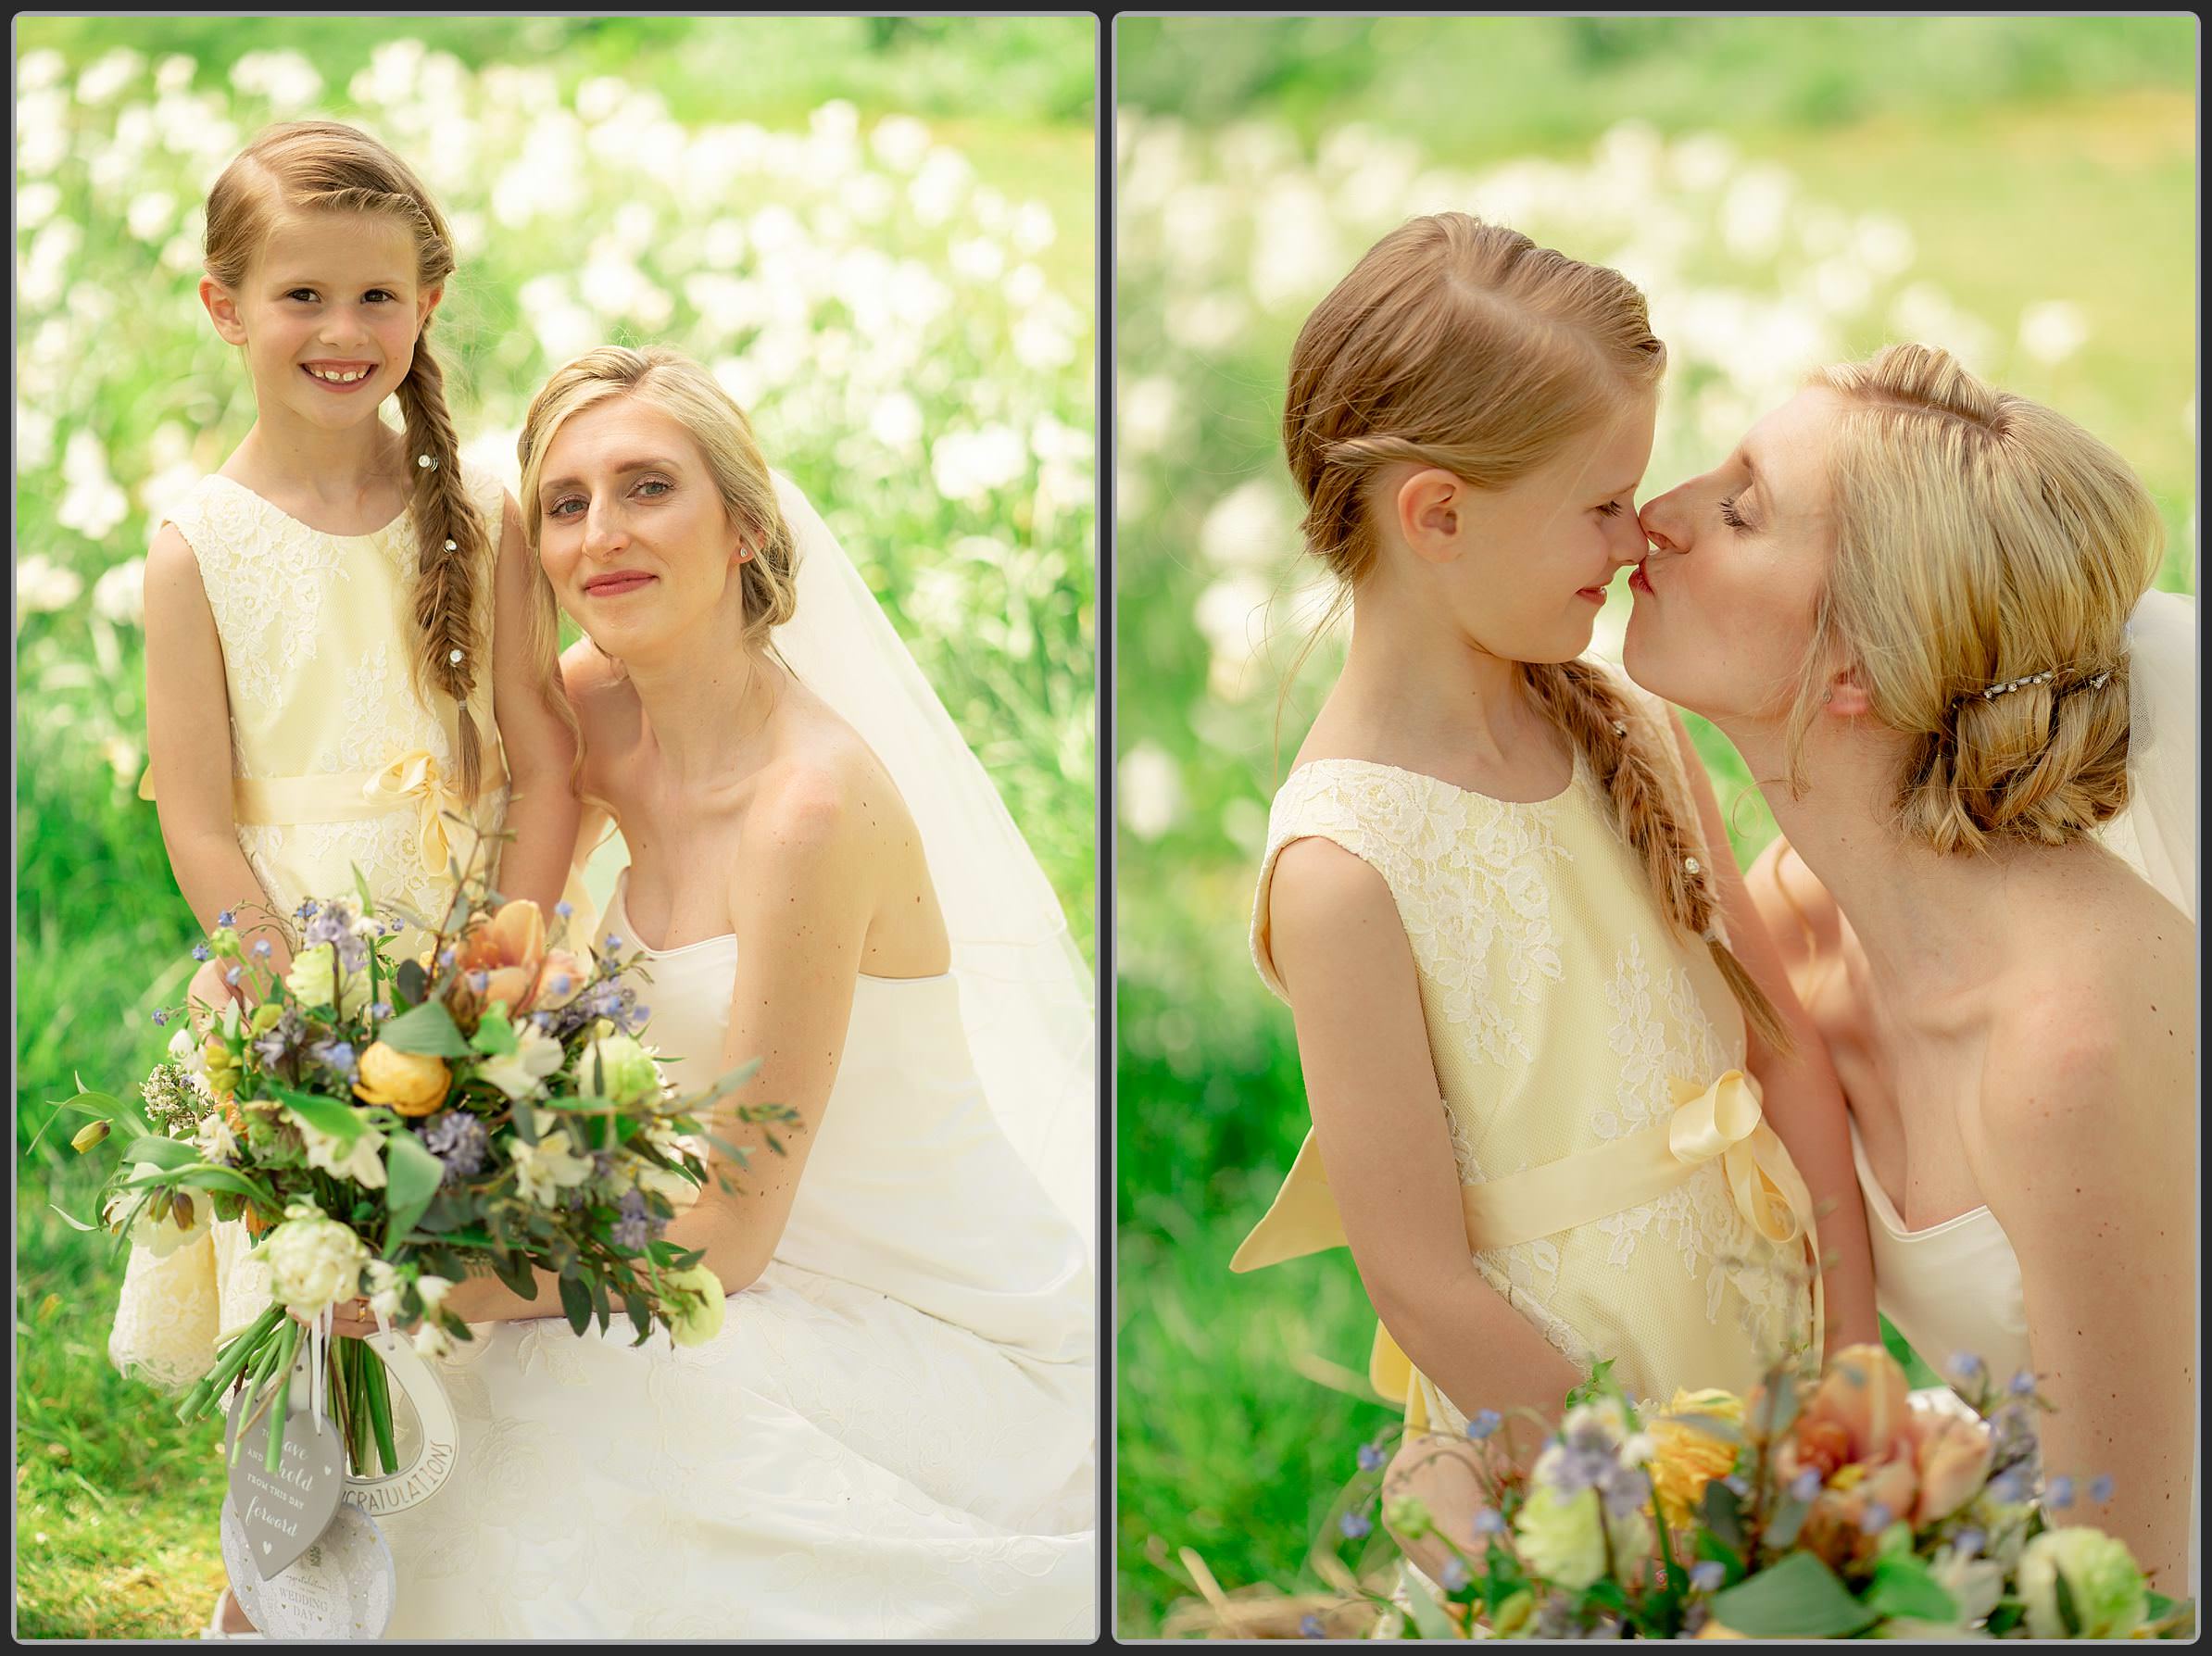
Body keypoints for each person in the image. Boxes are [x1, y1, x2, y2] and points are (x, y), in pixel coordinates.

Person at [338, 346, 1097, 1638]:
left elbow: (729, 1240)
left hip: (899, 1302)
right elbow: (494, 968)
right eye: (567, 505)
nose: (603, 535)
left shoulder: (810, 809)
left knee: (579, 1379)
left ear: (746, 527)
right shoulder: (593, 718)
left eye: (648, 489)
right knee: (452, 1373)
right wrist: (379, 1157)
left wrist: (440, 1278)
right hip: (722, 1246)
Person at [1237, 214, 1879, 1580]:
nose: (1640, 528)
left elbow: (1779, 1044)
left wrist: (1852, 1352)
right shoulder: (1346, 865)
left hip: (1766, 1333)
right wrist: (1637, 1493)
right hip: (1575, 1441)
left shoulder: (1632, 724)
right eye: (1600, 500)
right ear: (1440, 515)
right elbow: (1416, 1276)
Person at [107, 119, 582, 1634]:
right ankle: (275, 1602)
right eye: (302, 294)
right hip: (290, 984)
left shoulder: (484, 510)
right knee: (317, 1309)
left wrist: (498, 967)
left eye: (379, 297)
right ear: (224, 306)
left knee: (463, 1305)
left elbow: (541, 757)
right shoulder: (197, 548)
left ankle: (463, 1582)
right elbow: (196, 817)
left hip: (470, 956)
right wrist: (300, 1018)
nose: (342, 331)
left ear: (428, 304)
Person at [1628, 341, 2197, 1594]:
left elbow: (2131, 1585)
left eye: (1737, 509)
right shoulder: (1790, 931)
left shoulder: (2071, 1043)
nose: (1653, 517)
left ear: (1857, 667)